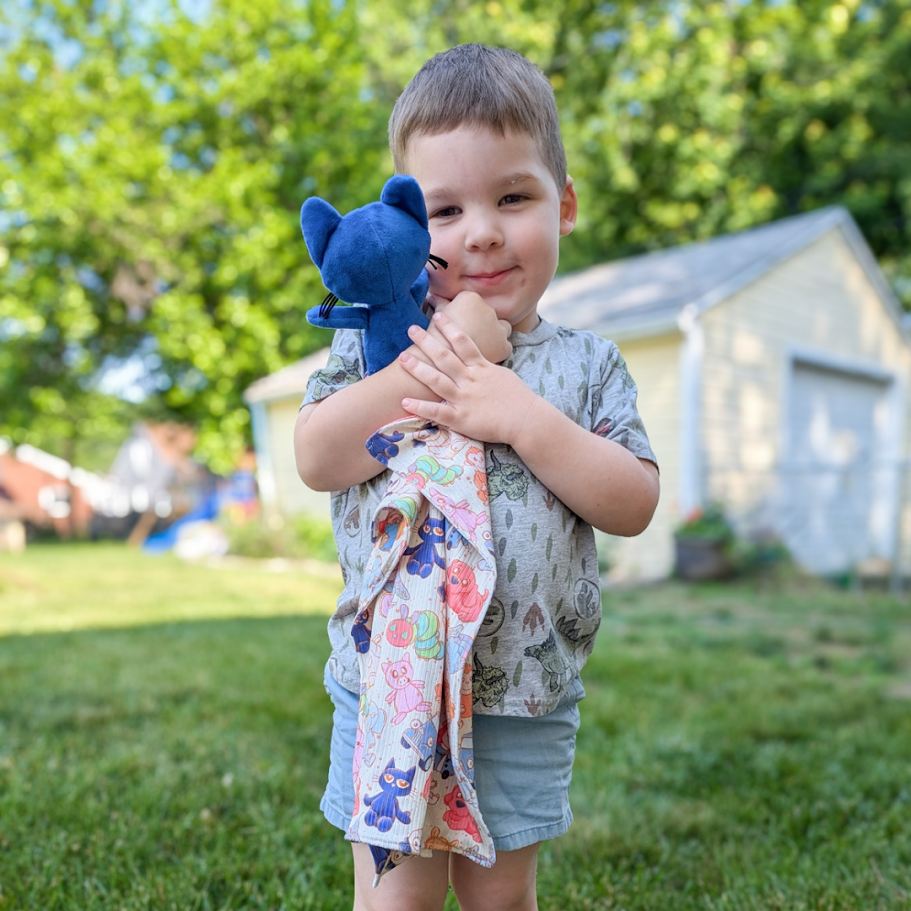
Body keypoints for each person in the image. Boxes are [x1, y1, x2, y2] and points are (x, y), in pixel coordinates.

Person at [294, 43, 659, 911]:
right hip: (389, 685)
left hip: (521, 696)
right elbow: (317, 456)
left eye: (514, 197)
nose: (483, 231)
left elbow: (633, 499)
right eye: (446, 209)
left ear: (563, 205)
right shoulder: (376, 345)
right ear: (410, 224)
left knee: (501, 900)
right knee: (397, 901)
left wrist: (518, 415)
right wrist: (438, 365)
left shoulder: (585, 365)